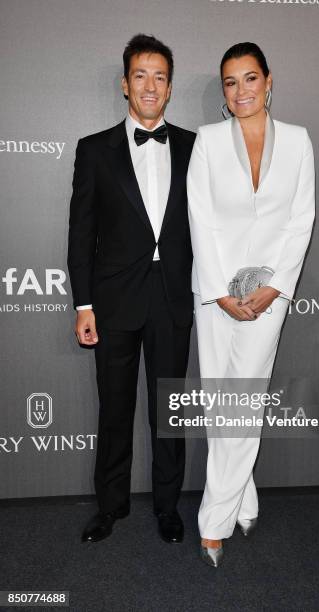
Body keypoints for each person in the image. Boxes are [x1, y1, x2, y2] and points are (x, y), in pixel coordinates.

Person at [187, 42, 315, 566]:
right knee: (223, 400)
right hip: (215, 294)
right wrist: (220, 290)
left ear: (268, 82)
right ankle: (244, 498)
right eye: (230, 82)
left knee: (243, 400)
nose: (241, 91)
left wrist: (275, 286)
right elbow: (201, 217)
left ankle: (212, 519)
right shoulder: (209, 140)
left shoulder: (300, 141)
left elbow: (300, 219)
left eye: (250, 79)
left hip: (270, 294)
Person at [67, 34, 195, 544]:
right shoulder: (94, 149)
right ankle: (110, 506)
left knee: (169, 411)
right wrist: (83, 304)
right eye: (140, 75)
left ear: (169, 88)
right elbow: (81, 233)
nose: (150, 85)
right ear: (125, 84)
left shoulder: (194, 146)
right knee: (114, 408)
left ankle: (168, 506)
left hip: (172, 299)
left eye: (160, 76)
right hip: (114, 301)